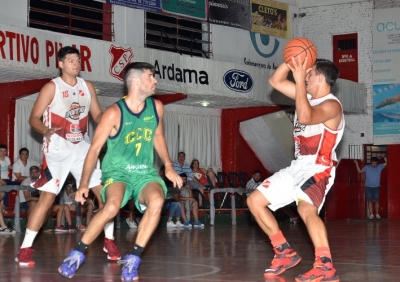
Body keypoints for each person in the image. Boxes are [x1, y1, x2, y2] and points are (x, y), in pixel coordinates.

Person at [57, 62, 182, 280]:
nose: (155, 81)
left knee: (157, 201)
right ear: (136, 82)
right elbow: (95, 149)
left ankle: (133, 259)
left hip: (144, 172)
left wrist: (169, 166)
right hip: (117, 172)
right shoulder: (114, 113)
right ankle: (77, 254)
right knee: (112, 206)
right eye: (151, 76)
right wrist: (84, 183)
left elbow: (158, 137)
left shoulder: (157, 107)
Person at [15, 46, 121, 266]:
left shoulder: (87, 86)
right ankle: (25, 248)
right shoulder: (51, 87)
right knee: (47, 198)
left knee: (107, 196)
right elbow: (33, 118)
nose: (76, 63)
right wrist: (45, 130)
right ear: (61, 64)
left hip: (82, 148)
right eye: (71, 60)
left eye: (78, 60)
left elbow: (98, 115)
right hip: (57, 151)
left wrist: (114, 117)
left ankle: (109, 240)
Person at [247, 57, 343, 281]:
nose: (306, 76)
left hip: (319, 165)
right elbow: (275, 80)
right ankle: (283, 252)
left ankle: (325, 265)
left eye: (310, 74)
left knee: (306, 209)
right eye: (305, 74)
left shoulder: (331, 104)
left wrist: (299, 79)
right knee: (254, 201)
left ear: (320, 78)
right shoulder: (306, 96)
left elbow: (307, 116)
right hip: (298, 165)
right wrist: (291, 61)